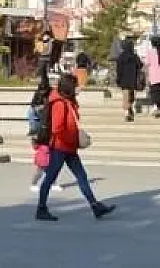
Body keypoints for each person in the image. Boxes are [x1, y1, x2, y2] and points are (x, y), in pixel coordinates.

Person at [35, 74, 114, 222]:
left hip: (68, 148)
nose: (79, 88)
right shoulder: (59, 104)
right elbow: (57, 129)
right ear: (69, 88)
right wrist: (74, 139)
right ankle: (41, 209)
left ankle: (95, 205)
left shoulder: (68, 102)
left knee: (81, 176)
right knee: (50, 178)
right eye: (76, 85)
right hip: (60, 147)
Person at [114, 36, 142, 122]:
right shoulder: (135, 56)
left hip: (124, 80)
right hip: (133, 79)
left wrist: (118, 79)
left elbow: (118, 70)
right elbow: (140, 65)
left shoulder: (121, 57)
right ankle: (130, 109)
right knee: (132, 96)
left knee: (125, 96)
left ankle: (127, 112)